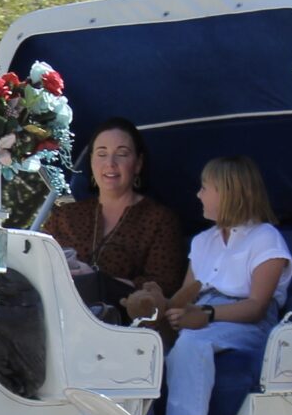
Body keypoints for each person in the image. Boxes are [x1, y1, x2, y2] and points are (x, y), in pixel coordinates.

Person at [141, 156, 292, 415]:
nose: (198, 195)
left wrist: (207, 315)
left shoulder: (265, 238)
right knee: (144, 346)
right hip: (205, 315)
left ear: (228, 192)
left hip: (248, 325)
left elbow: (256, 306)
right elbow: (188, 294)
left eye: (205, 188)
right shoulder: (203, 241)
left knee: (194, 342)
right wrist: (162, 306)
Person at [43, 117, 187, 324]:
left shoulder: (159, 219)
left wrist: (97, 279)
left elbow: (165, 286)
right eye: (102, 154)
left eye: (122, 154)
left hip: (124, 325)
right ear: (91, 162)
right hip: (59, 317)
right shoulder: (65, 215)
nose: (110, 163)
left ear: (137, 164)